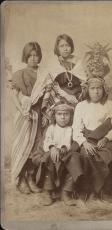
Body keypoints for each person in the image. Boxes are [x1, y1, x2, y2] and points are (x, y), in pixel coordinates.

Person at [72, 77, 112, 200]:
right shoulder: (81, 106)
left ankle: (106, 189)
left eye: (99, 88)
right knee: (87, 154)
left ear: (103, 90)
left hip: (105, 138)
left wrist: (106, 138)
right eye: (93, 88)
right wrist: (84, 142)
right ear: (87, 90)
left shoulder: (109, 104)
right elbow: (76, 129)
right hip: (88, 138)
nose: (96, 92)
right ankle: (91, 189)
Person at [11, 42, 53, 194]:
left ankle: (30, 177)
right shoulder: (19, 74)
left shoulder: (44, 74)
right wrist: (22, 110)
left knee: (36, 146)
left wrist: (46, 114)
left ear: (40, 56)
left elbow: (48, 96)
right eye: (30, 56)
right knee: (23, 146)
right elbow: (14, 95)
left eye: (36, 55)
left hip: (39, 113)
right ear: (25, 57)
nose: (34, 59)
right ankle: (21, 179)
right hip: (25, 114)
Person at [32, 102, 83, 206]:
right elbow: (47, 141)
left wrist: (64, 148)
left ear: (70, 116)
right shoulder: (51, 128)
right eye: (59, 114)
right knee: (47, 160)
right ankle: (48, 191)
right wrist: (52, 148)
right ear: (54, 116)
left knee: (75, 160)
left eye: (66, 114)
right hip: (52, 154)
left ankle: (66, 192)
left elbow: (72, 143)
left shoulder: (71, 129)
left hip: (66, 155)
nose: (63, 117)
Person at [41, 34, 86, 125]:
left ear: (71, 47)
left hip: (75, 97)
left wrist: (73, 97)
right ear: (57, 48)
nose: (65, 49)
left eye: (68, 45)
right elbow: (49, 84)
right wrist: (60, 92)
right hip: (57, 98)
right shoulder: (53, 63)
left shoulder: (78, 62)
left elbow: (84, 82)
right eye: (62, 46)